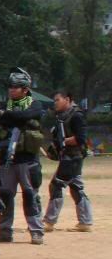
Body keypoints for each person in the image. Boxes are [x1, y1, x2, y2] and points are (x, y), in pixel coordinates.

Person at [0, 67, 46, 245]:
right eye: (10, 86)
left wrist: (10, 116)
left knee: (30, 195)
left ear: (25, 89)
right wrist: (16, 117)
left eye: (15, 87)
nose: (11, 90)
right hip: (7, 159)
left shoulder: (36, 104)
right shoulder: (4, 105)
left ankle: (36, 231)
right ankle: (4, 231)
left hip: (27, 160)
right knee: (5, 195)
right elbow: (1, 118)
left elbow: (28, 114)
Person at [43, 90, 92, 232]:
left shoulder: (76, 115)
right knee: (77, 188)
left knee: (56, 185)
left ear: (67, 99)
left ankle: (49, 222)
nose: (55, 103)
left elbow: (80, 138)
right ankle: (85, 222)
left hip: (73, 157)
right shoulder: (62, 116)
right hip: (68, 156)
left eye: (57, 100)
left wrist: (62, 142)